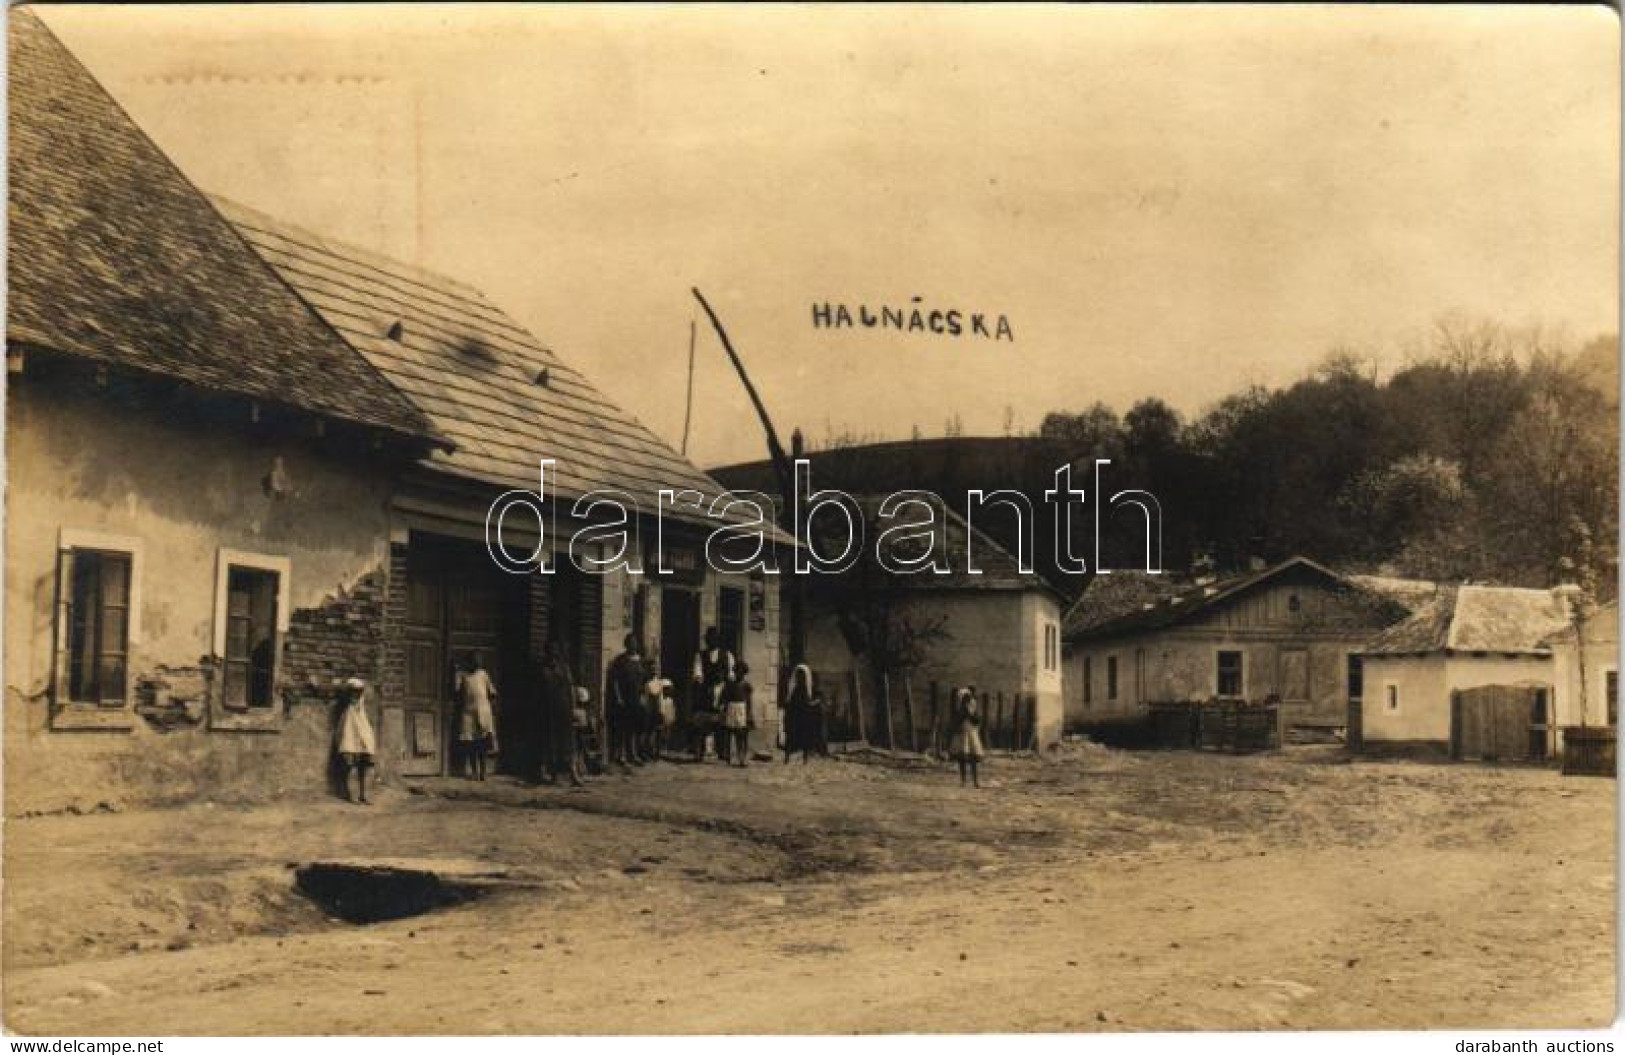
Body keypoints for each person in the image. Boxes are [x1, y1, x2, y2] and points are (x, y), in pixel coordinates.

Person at [538, 639, 582, 787]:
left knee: (569, 742)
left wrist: (574, 708)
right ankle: (554, 774)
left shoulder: (564, 668)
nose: (553, 654)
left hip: (564, 708)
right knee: (552, 742)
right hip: (549, 709)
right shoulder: (542, 669)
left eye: (555, 651)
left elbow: (571, 688)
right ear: (546, 652)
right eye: (550, 651)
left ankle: (573, 773)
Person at [690, 627, 734, 762]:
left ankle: (723, 751)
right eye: (709, 638)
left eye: (714, 638)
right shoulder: (700, 655)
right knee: (701, 723)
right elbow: (697, 673)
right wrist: (701, 681)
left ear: (718, 639)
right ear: (706, 640)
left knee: (723, 722)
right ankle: (699, 751)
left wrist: (726, 684)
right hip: (706, 690)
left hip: (721, 690)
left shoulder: (727, 655)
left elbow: (731, 674)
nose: (712, 640)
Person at [454, 653, 499, 781]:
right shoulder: (464, 676)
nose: (477, 663)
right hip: (469, 713)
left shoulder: (483, 674)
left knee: (482, 745)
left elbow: (492, 692)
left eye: (478, 661)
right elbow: (457, 690)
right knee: (471, 744)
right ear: (470, 662)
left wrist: (492, 709)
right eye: (474, 661)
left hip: (482, 712)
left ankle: (483, 772)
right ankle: (474, 771)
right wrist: (457, 674)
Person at [607, 635, 648, 770]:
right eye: (630, 643)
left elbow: (644, 681)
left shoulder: (640, 660)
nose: (633, 645)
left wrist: (643, 696)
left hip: (637, 698)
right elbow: (615, 681)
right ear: (626, 645)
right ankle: (621, 755)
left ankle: (634, 754)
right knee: (623, 728)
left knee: (634, 728)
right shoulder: (621, 660)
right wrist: (618, 697)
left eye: (635, 643)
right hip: (625, 698)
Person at [334, 677, 377, 804]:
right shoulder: (346, 709)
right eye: (352, 692)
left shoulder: (364, 708)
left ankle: (365, 795)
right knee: (351, 767)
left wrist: (368, 739)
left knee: (366, 767)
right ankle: (353, 795)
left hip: (364, 739)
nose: (355, 695)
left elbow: (369, 724)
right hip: (350, 740)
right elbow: (342, 729)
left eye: (358, 692)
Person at [782, 663, 819, 765]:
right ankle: (787, 758)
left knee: (805, 738)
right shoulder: (794, 689)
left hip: (804, 717)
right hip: (794, 717)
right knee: (791, 738)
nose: (800, 677)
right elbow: (791, 702)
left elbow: (808, 702)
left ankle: (805, 759)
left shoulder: (807, 689)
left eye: (802, 675)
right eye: (799, 675)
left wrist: (813, 703)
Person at [949, 686, 986, 788]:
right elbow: (956, 721)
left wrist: (971, 714)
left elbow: (977, 720)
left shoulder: (972, 709)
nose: (970, 702)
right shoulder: (960, 709)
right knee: (962, 758)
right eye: (966, 699)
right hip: (962, 734)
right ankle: (963, 781)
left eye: (970, 700)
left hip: (971, 733)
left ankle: (975, 781)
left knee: (973, 758)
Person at [722, 660, 754, 767]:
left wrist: (749, 714)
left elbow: (749, 701)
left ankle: (742, 758)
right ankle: (729, 757)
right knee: (729, 733)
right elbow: (725, 699)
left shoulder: (746, 686)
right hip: (732, 708)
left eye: (742, 672)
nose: (739, 674)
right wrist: (725, 711)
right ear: (735, 672)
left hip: (742, 709)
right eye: (737, 671)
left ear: (744, 672)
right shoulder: (730, 684)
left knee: (742, 734)